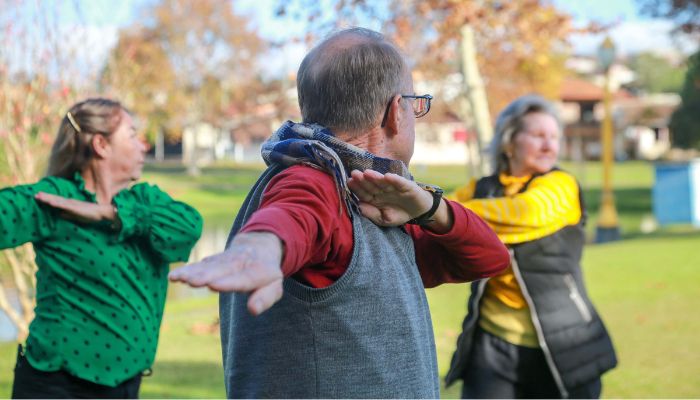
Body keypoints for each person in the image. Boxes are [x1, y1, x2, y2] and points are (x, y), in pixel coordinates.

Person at [168, 27, 510, 398]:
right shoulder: (315, 179)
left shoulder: (376, 198)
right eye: (415, 103)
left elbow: (489, 258)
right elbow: (294, 213)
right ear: (397, 111)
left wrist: (430, 209)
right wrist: (262, 249)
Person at [5, 98, 203, 398]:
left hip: (125, 386)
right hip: (56, 386)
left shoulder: (146, 201)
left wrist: (110, 215)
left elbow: (189, 228)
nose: (143, 146)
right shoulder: (56, 200)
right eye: (133, 134)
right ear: (101, 144)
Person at [444, 94, 617, 399]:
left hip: (564, 342)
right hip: (491, 344)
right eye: (538, 136)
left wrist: (445, 213)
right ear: (510, 142)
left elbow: (522, 212)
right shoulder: (481, 188)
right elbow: (439, 218)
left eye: (554, 137)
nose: (550, 145)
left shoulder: (562, 185)